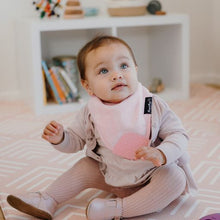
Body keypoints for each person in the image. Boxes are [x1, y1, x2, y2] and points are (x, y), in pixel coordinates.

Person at [7, 35, 197, 220]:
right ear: (87, 86)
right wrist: (61, 138)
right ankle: (47, 199)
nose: (117, 74)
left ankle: (117, 209)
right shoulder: (90, 113)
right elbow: (75, 141)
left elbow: (178, 134)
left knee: (175, 178)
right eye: (104, 71)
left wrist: (162, 153)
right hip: (108, 174)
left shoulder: (152, 105)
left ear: (136, 69)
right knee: (85, 166)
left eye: (124, 66)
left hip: (150, 177)